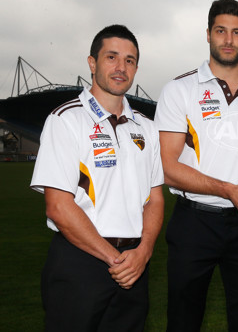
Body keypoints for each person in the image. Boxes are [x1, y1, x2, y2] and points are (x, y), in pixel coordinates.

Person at [154, 0, 238, 331]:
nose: (228, 40)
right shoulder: (178, 90)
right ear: (208, 34)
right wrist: (225, 189)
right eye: (221, 31)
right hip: (194, 222)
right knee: (183, 321)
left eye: (236, 32)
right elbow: (167, 166)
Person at [30, 25, 165, 332]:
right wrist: (115, 259)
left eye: (129, 60)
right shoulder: (66, 120)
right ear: (92, 63)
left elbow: (155, 199)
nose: (121, 67)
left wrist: (143, 252)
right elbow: (58, 207)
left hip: (134, 265)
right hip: (81, 263)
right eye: (112, 57)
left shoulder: (147, 128)